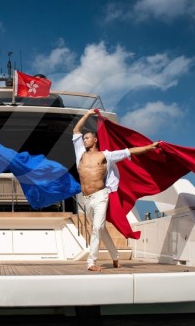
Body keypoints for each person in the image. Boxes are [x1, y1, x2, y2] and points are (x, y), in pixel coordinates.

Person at [73, 109, 159, 272]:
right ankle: (116, 256)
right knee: (101, 229)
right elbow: (76, 130)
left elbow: (128, 151)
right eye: (83, 138)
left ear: (95, 140)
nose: (84, 140)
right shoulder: (80, 154)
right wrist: (86, 115)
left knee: (97, 228)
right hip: (86, 198)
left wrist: (149, 147)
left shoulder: (106, 155)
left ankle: (91, 262)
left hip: (100, 196)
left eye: (87, 138)